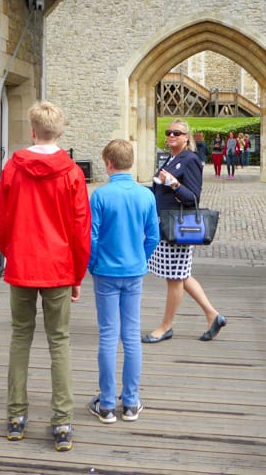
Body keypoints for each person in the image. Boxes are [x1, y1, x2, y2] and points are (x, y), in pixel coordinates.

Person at [0, 100, 91, 452]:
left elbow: (3, 218)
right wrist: (77, 274)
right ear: (60, 131)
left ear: (32, 130)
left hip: (23, 262)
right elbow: (81, 227)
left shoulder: (13, 168)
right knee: (59, 341)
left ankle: (16, 417)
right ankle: (62, 422)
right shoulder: (72, 173)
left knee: (20, 337)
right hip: (59, 265)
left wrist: (11, 254)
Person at [86, 140, 160, 424]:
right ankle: (130, 402)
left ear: (108, 163)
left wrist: (92, 264)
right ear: (131, 162)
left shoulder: (100, 195)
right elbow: (153, 236)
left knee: (108, 335)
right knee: (131, 335)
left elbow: (92, 236)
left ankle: (106, 403)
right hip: (133, 271)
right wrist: (141, 258)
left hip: (106, 271)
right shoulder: (146, 195)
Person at [142, 119, 227, 344]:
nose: (171, 135)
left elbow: (193, 198)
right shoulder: (171, 158)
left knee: (175, 278)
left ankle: (166, 326)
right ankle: (213, 315)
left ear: (186, 137)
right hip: (166, 226)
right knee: (182, 275)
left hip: (178, 228)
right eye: (169, 132)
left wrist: (174, 184)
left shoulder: (190, 160)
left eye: (177, 133)